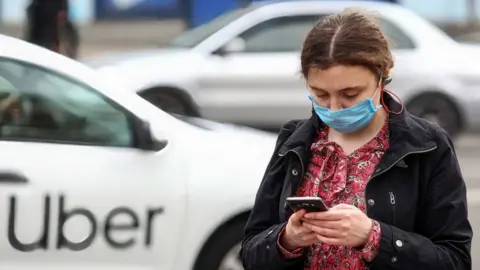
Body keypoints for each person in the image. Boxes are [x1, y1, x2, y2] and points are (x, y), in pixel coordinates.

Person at [240, 8, 472, 270]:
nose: (335, 108)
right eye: (320, 95)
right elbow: (250, 253)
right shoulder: (295, 141)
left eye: (350, 94)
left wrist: (374, 237)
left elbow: (455, 261)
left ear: (382, 76)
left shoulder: (427, 145)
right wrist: (287, 239)